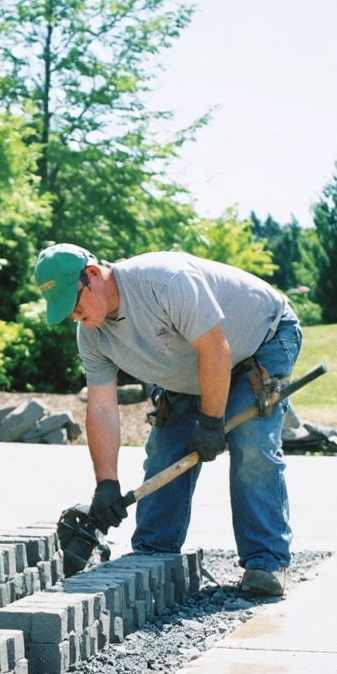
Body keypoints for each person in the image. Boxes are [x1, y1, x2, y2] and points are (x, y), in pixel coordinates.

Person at [34, 244, 302, 596]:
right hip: (194, 366)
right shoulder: (92, 334)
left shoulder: (164, 282)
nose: (73, 315)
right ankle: (153, 555)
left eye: (73, 303)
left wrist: (211, 422)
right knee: (167, 448)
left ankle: (266, 563)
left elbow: (216, 352)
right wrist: (106, 483)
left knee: (249, 439)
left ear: (94, 275)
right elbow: (101, 408)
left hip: (261, 339)